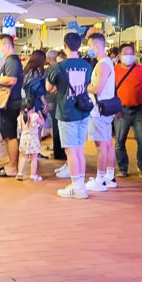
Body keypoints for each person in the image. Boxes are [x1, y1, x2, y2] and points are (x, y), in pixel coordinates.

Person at [46, 32, 93, 199]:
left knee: (71, 151)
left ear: (64, 46)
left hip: (67, 112)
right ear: (79, 46)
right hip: (83, 110)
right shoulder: (87, 66)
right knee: (79, 149)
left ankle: (77, 187)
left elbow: (48, 87)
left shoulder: (58, 67)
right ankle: (80, 185)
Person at [0, 34, 24, 178]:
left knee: (10, 136)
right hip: (9, 103)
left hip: (9, 103)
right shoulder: (10, 61)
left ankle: (13, 167)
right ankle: (12, 164)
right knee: (9, 135)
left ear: (6, 45)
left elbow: (11, 80)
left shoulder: (12, 61)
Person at [113, 43, 142, 179]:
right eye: (125, 53)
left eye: (131, 53)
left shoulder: (141, 70)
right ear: (119, 56)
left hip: (137, 110)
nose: (128, 56)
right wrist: (114, 108)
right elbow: (110, 91)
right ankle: (122, 168)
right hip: (120, 110)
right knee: (119, 141)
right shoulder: (114, 70)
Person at [85, 32, 118, 192]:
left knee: (101, 146)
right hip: (105, 110)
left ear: (97, 46)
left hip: (99, 111)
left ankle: (100, 179)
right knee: (108, 143)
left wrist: (86, 88)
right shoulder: (107, 62)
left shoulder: (103, 64)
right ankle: (109, 177)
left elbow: (98, 88)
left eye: (90, 45)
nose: (88, 48)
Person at [16, 98, 44, 181]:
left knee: (23, 156)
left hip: (24, 138)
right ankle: (33, 175)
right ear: (33, 108)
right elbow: (42, 123)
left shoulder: (20, 117)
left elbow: (20, 128)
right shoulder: (35, 116)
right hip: (33, 138)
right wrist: (40, 114)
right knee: (34, 157)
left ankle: (20, 173)